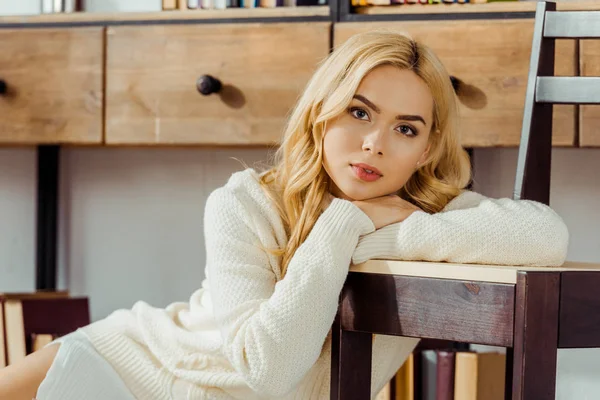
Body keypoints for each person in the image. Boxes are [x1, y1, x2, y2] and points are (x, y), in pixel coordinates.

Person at [0, 30, 569, 400]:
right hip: (131, 367)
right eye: (358, 112)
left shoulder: (419, 214)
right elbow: (266, 370)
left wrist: (373, 229)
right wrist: (343, 224)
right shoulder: (245, 201)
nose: (374, 144)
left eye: (404, 128)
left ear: (425, 149)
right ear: (322, 113)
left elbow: (546, 236)